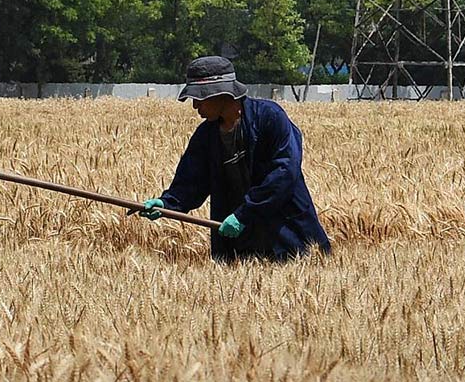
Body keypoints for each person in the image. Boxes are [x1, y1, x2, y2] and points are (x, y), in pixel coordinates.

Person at [138, 56, 332, 262]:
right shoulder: (206, 136)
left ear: (220, 94)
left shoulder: (270, 118)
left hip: (287, 236)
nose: (195, 106)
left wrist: (244, 214)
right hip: (239, 243)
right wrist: (166, 203)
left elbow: (283, 173)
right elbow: (191, 182)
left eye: (200, 98)